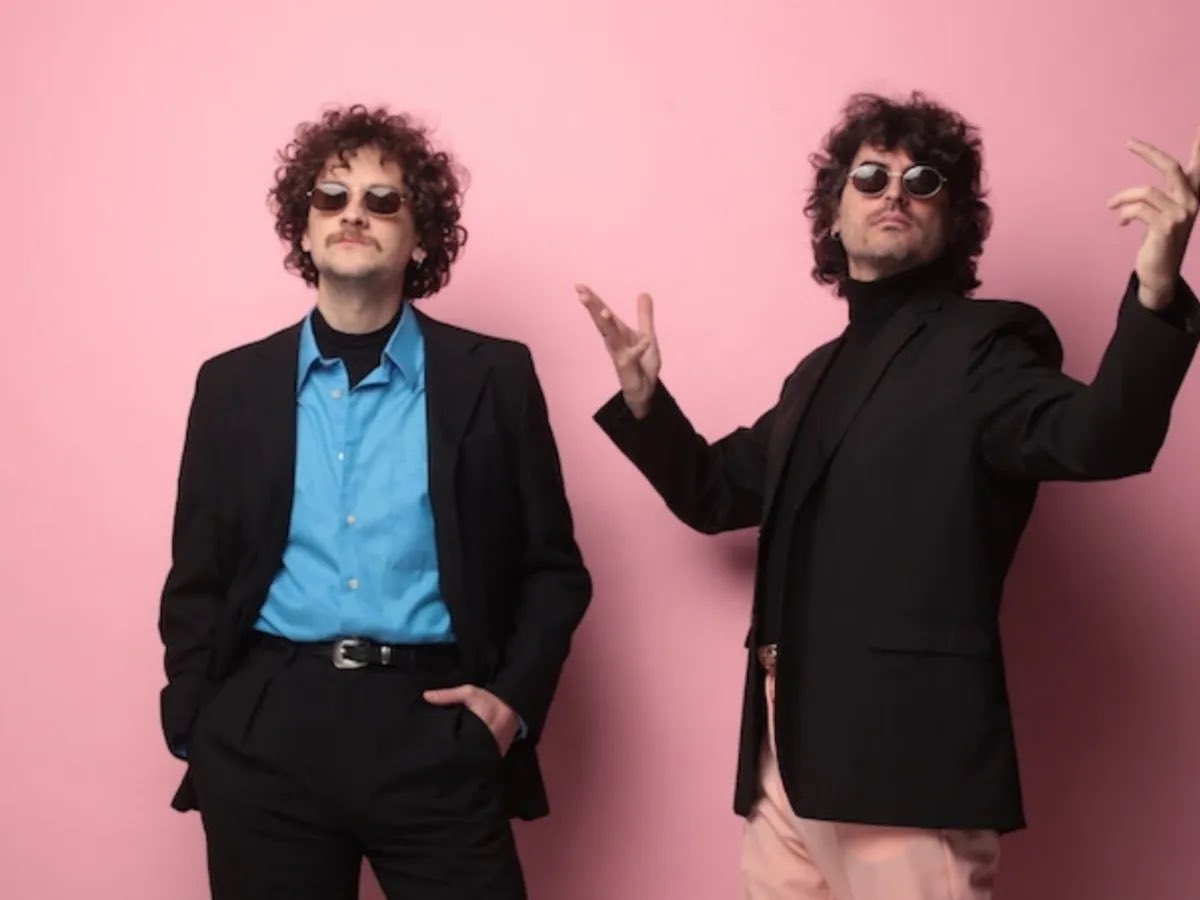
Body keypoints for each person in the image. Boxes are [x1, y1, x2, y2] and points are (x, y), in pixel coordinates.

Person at [579, 92, 1199, 899]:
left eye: (923, 180)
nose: (894, 193)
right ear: (834, 218)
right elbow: (714, 493)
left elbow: (1098, 438)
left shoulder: (986, 345)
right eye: (870, 177)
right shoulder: (813, 375)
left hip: (906, 760)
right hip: (783, 760)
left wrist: (1156, 295)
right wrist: (645, 405)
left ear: (953, 221)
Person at [159, 104, 591, 900]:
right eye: (332, 196)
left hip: (432, 724)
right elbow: (198, 577)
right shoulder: (231, 385)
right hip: (267, 729)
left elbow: (553, 569)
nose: (353, 213)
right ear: (304, 230)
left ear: (420, 239)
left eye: (384, 200)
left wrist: (509, 706)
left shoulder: (494, 376)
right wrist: (199, 721)